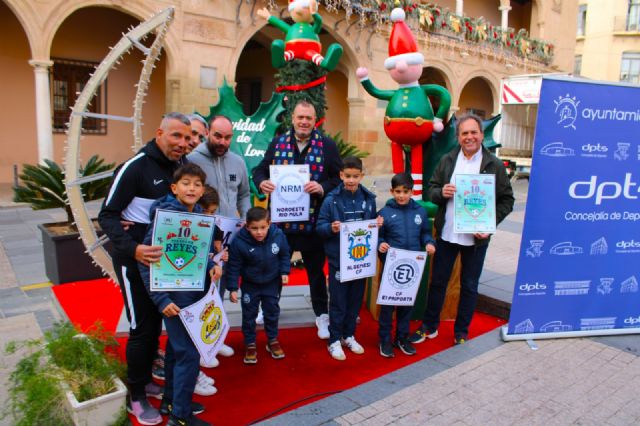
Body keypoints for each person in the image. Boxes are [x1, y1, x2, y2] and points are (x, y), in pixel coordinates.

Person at [98, 112, 192, 425]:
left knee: (157, 324)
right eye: (176, 136)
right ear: (159, 133)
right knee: (141, 328)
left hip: (165, 264)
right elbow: (107, 216)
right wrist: (134, 248)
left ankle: (146, 378)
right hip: (133, 262)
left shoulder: (181, 166)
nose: (182, 143)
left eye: (186, 137)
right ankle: (135, 395)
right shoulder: (135, 166)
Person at [410, 114, 514, 346]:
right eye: (464, 133)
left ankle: (461, 332)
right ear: (458, 136)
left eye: (473, 132)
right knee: (438, 282)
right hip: (447, 234)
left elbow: (507, 200)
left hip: (477, 238)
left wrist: (489, 225)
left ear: (481, 135)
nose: (469, 137)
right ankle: (429, 326)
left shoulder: (493, 165)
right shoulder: (448, 160)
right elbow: (432, 190)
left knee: (469, 285)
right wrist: (441, 193)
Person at [253, 100, 342, 340]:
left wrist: (322, 187)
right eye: (300, 117)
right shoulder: (278, 142)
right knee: (274, 268)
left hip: (313, 224)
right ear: (292, 118)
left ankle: (321, 315)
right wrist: (262, 182)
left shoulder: (327, 146)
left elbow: (338, 178)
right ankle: (268, 307)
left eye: (309, 118)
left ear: (315, 121)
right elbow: (259, 170)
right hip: (282, 224)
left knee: (315, 271)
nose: (304, 122)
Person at [138, 163, 216, 426]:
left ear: (203, 189)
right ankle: (180, 418)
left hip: (193, 297)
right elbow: (145, 261)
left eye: (197, 184)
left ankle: (171, 402)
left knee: (175, 351)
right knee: (189, 355)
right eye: (186, 183)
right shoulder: (166, 218)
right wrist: (161, 300)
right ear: (174, 188)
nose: (191, 188)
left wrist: (212, 265)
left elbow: (197, 254)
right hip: (174, 300)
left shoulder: (198, 217)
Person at [316, 156, 381, 360]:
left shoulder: (369, 199)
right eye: (347, 176)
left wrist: (377, 223)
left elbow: (371, 225)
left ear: (361, 176)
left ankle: (348, 335)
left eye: (355, 176)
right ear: (341, 175)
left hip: (360, 260)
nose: (351, 180)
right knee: (338, 302)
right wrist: (331, 228)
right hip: (339, 261)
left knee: (354, 302)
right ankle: (334, 340)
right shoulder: (331, 199)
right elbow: (320, 227)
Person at [377, 173, 436, 358]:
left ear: (412, 191)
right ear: (391, 191)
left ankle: (401, 338)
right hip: (391, 268)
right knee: (387, 307)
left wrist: (430, 243)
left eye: (405, 191)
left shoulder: (420, 211)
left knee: (406, 305)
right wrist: (381, 243)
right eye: (397, 192)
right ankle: (385, 339)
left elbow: (426, 233)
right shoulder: (384, 213)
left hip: (411, 269)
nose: (401, 195)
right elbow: (378, 236)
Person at [224, 207, 291, 364]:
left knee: (272, 312)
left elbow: (284, 254)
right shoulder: (240, 242)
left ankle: (272, 339)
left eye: (263, 227)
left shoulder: (278, 235)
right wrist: (233, 288)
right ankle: (250, 343)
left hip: (272, 283)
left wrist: (284, 272)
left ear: (269, 224)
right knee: (249, 315)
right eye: (254, 228)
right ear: (247, 226)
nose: (259, 232)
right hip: (250, 285)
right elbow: (234, 266)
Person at [187, 115, 251, 218]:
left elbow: (244, 195)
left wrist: (245, 219)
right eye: (218, 136)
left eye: (227, 137)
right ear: (207, 133)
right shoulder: (191, 160)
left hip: (231, 229)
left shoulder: (238, 162)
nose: (222, 142)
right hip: (202, 228)